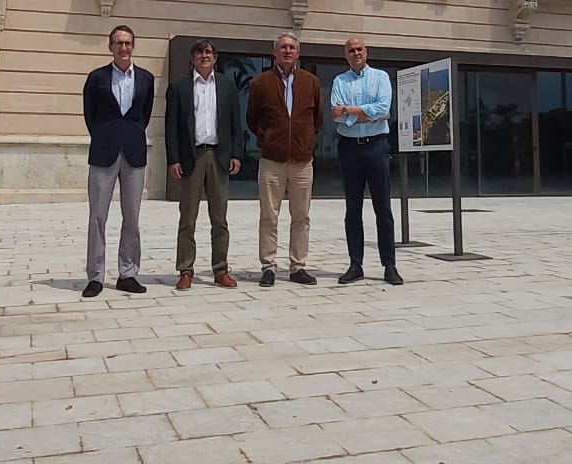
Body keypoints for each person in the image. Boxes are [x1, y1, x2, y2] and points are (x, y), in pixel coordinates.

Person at [80, 25, 154, 298]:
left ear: (134, 46)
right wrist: (106, 136)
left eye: (128, 43)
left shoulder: (146, 79)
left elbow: (143, 116)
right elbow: (90, 115)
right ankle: (96, 276)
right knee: (98, 217)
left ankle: (128, 273)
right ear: (110, 46)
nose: (124, 48)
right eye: (119, 43)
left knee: (132, 217)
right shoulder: (96, 78)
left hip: (134, 154)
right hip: (103, 153)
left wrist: (128, 135)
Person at [164, 40, 244, 290]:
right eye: (199, 52)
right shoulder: (179, 87)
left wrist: (236, 154)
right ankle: (185, 269)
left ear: (215, 57)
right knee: (188, 217)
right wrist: (173, 159)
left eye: (208, 52)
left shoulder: (226, 85)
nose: (204, 56)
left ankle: (220, 269)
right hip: (192, 157)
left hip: (219, 156)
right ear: (192, 58)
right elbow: (171, 127)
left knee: (219, 218)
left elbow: (234, 123)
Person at [244, 32, 320, 287]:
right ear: (274, 52)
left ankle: (298, 266)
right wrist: (269, 139)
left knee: (302, 216)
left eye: (291, 48)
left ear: (298, 54)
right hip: (271, 161)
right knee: (269, 215)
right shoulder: (260, 83)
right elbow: (252, 120)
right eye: (282, 47)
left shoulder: (311, 82)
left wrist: (305, 141)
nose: (287, 51)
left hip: (302, 161)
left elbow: (317, 119)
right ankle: (268, 266)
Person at [331, 38, 403, 285]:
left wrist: (350, 111)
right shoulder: (339, 81)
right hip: (349, 149)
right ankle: (355, 264)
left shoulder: (381, 77)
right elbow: (335, 114)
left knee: (383, 208)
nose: (356, 53)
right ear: (346, 55)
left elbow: (384, 109)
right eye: (351, 50)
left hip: (376, 147)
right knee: (353, 209)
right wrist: (366, 113)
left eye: (359, 49)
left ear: (366, 52)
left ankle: (389, 265)